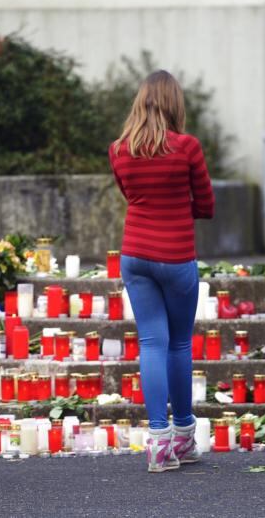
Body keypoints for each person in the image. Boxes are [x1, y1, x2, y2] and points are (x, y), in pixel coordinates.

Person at [109, 70, 215, 473]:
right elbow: (206, 205)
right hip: (176, 256)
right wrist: (175, 209)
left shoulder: (118, 149)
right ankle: (184, 436)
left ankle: (158, 443)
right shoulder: (187, 147)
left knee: (151, 342)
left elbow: (132, 196)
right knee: (179, 345)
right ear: (175, 104)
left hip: (135, 255)